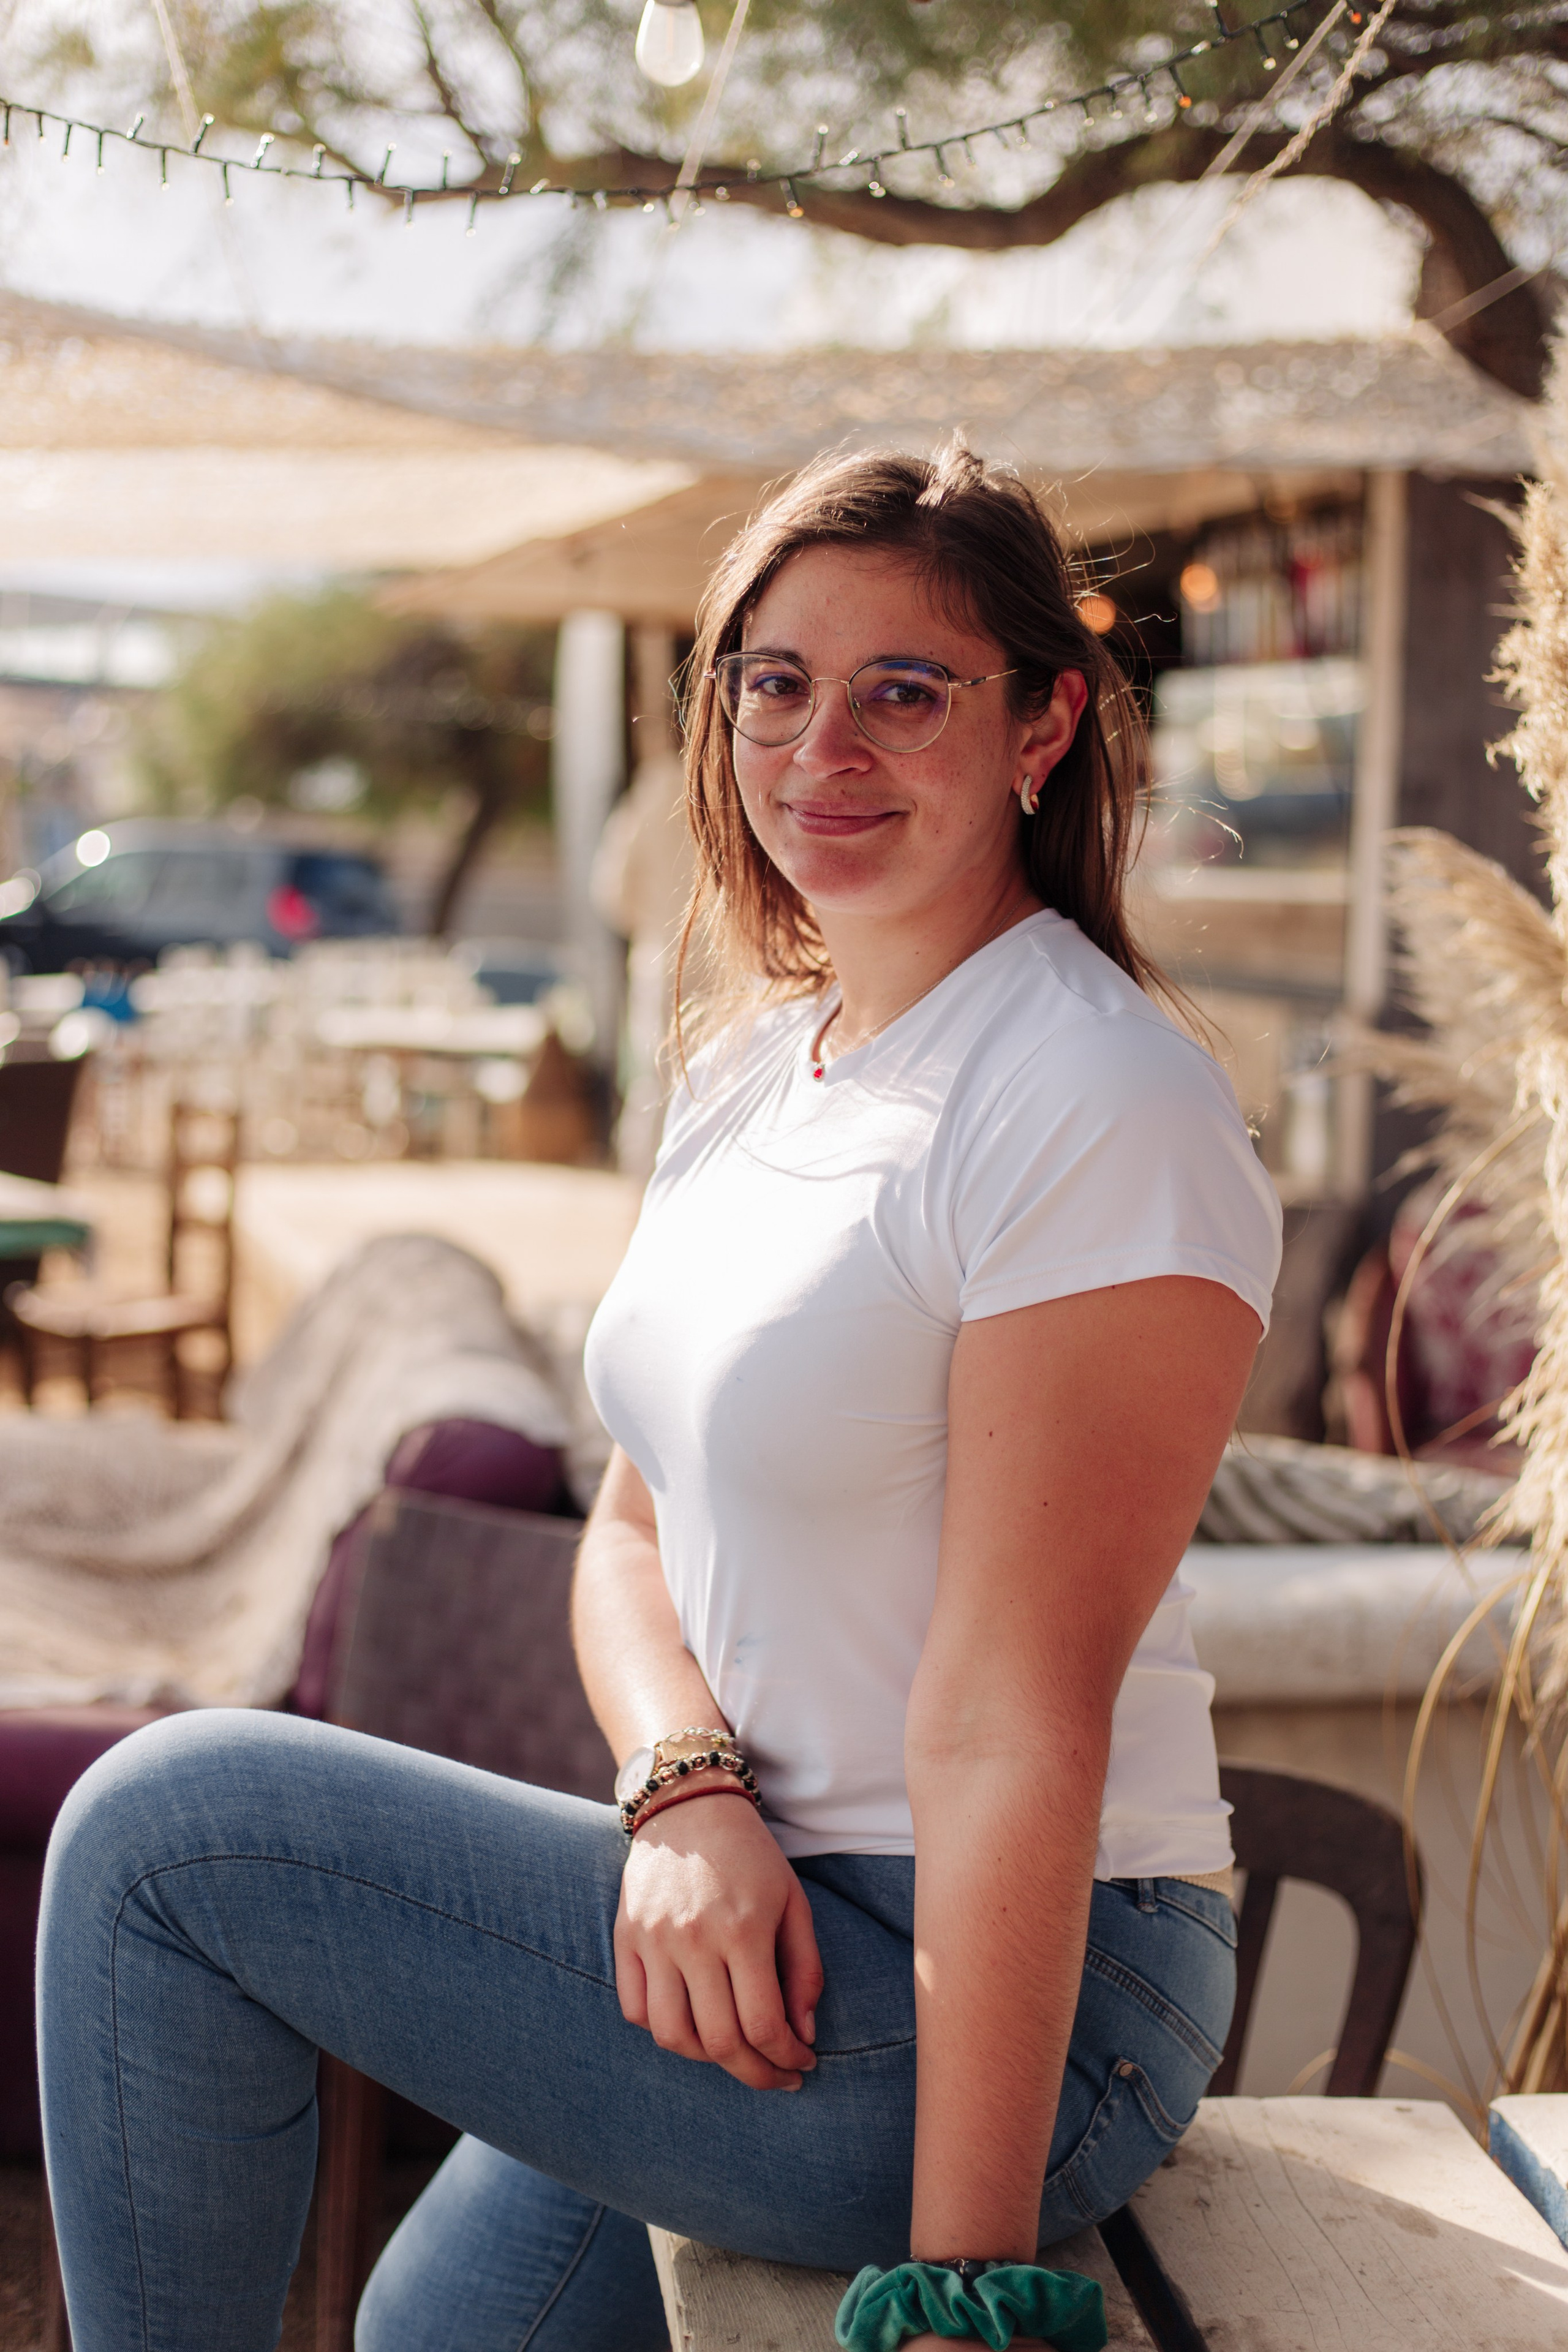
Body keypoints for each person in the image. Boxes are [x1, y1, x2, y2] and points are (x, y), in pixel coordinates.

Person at [37, 445, 1281, 2352]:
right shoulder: (750, 1069)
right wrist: (685, 1800)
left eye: (904, 693)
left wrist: (961, 2281)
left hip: (1011, 1991)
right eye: (776, 685)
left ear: (1044, 727)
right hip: (741, 1909)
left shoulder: (1097, 1104)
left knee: (163, 1834)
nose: (823, 749)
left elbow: (1014, 1715)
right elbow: (632, 1528)